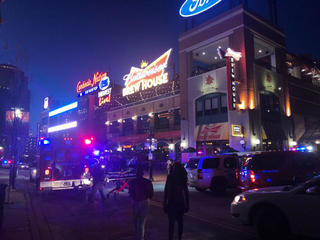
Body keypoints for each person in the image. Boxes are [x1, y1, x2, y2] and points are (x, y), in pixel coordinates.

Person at [163, 162, 189, 240]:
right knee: (180, 222)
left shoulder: (170, 177)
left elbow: (166, 191)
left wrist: (164, 203)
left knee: (171, 223)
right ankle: (179, 238)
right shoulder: (181, 178)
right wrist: (187, 204)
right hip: (180, 202)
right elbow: (186, 192)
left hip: (172, 202)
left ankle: (171, 238)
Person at [129, 166, 154, 240]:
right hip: (144, 201)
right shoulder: (147, 182)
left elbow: (131, 192)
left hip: (135, 201)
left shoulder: (132, 182)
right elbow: (151, 193)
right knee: (142, 222)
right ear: (143, 174)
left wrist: (134, 197)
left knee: (136, 220)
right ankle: (140, 237)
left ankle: (137, 235)